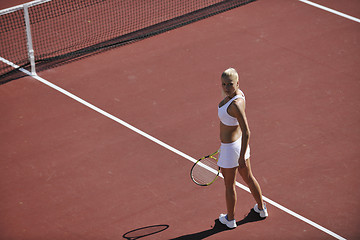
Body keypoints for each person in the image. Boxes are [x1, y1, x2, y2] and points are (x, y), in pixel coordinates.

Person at [217, 67, 268, 229]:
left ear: (238, 83)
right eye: (223, 84)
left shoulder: (236, 105)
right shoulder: (239, 95)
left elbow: (247, 131)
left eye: (230, 84)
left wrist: (239, 157)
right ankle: (261, 209)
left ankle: (230, 219)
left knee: (229, 185)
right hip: (237, 146)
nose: (226, 87)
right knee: (249, 177)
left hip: (232, 149)